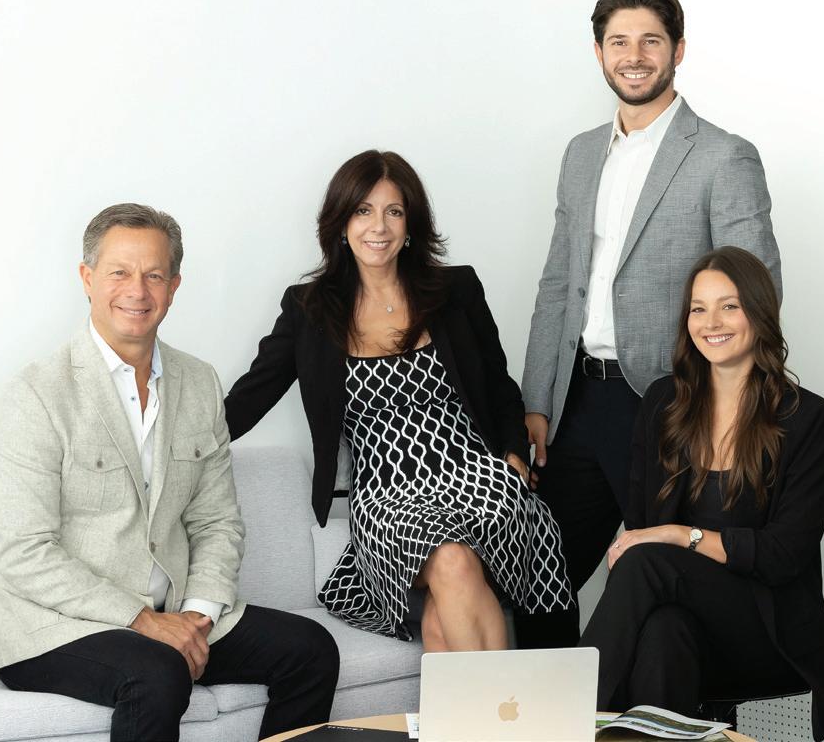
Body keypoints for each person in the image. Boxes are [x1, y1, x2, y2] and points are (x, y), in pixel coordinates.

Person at [0, 204, 339, 741]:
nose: (137, 291)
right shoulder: (36, 394)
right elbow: (25, 554)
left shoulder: (199, 382)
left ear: (174, 286)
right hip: (53, 624)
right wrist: (143, 621)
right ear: (87, 279)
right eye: (119, 272)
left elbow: (217, 522)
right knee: (158, 671)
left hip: (172, 614)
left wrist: (197, 615)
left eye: (154, 275)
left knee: (310, 649)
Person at [519, 0, 783, 648]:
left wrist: (721, 407)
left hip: (675, 404)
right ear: (599, 52)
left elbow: (758, 290)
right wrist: (538, 401)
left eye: (650, 41)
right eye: (619, 42)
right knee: (537, 577)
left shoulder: (723, 155)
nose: (633, 56)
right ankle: (552, 704)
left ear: (678, 50)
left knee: (666, 587)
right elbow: (558, 284)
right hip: (580, 401)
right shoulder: (581, 153)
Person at [224, 149, 572, 651]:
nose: (378, 227)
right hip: (388, 497)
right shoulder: (309, 308)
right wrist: (169, 442)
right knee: (452, 566)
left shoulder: (456, 290)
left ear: (411, 224)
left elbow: (498, 384)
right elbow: (250, 397)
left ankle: (478, 705)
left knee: (446, 595)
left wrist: (514, 453)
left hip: (479, 481)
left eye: (394, 211)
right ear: (341, 222)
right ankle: (505, 702)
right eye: (363, 210)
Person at [578, 246, 824, 742]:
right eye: (698, 308)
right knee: (663, 634)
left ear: (759, 313)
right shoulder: (663, 403)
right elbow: (641, 525)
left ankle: (564, 713)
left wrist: (683, 535)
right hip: (687, 620)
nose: (711, 322)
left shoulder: (808, 418)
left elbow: (783, 555)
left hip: (765, 628)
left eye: (729, 306)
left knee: (647, 561)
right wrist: (663, 540)